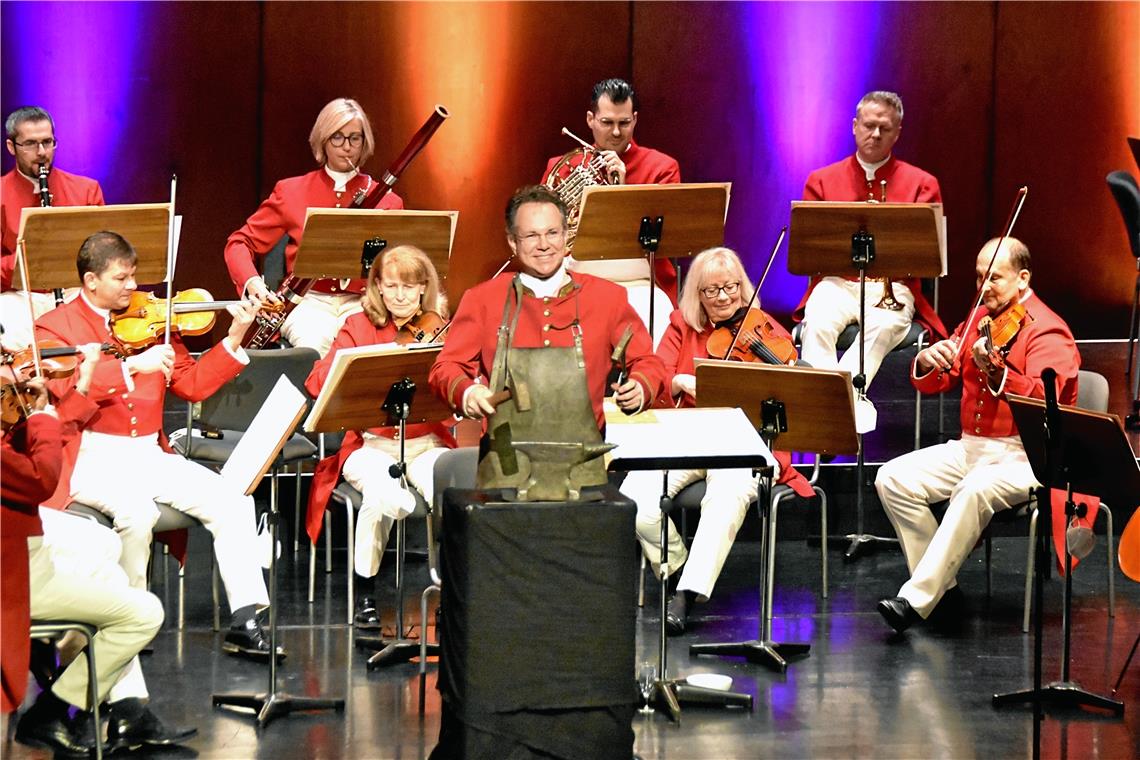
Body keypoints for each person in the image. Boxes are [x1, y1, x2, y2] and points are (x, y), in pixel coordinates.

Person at [34, 230, 281, 660]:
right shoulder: (55, 326)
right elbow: (67, 390)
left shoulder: (155, 318)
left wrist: (235, 337)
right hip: (92, 455)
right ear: (91, 281)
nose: (134, 287)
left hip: (148, 453)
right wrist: (130, 366)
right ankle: (125, 621)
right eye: (121, 278)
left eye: (134, 276)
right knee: (137, 515)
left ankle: (246, 619)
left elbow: (192, 385)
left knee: (234, 501)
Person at [874, 237, 1078, 633]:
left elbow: (1044, 399)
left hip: (1029, 455)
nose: (984, 287)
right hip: (973, 447)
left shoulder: (1049, 331)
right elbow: (941, 377)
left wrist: (1000, 372)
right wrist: (928, 359)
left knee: (975, 489)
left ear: (1023, 278)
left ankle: (915, 601)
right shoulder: (979, 319)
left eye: (995, 278)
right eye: (980, 276)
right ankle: (943, 591)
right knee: (893, 479)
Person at [2, 350, 194, 754]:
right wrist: (43, 418)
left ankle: (112, 703)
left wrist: (60, 401)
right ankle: (67, 704)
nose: (10, 368)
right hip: (13, 571)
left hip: (23, 548)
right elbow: (39, 476)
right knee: (133, 603)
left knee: (105, 555)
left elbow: (35, 441)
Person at [619, 247, 816, 634]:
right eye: (712, 291)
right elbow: (658, 371)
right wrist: (675, 381)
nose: (724, 297)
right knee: (635, 500)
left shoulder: (764, 328)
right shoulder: (680, 325)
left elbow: (793, 387)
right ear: (698, 295)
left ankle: (686, 596)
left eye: (731, 287)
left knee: (727, 494)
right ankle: (678, 569)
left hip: (746, 440)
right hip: (690, 437)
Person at [304, 245, 456, 629]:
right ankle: (366, 592)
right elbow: (316, 381)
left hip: (426, 443)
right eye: (392, 286)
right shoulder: (357, 326)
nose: (402, 296)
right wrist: (358, 366)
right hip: (371, 445)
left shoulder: (439, 326)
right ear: (378, 289)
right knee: (383, 496)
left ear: (424, 289)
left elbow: (464, 379)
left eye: (411, 286)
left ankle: (453, 590)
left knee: (450, 490)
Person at [429, 184, 664, 430]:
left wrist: (639, 387)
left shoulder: (608, 297)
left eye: (552, 233)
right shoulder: (482, 299)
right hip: (505, 457)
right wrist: (469, 393)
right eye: (531, 236)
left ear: (566, 236)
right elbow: (445, 367)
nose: (544, 244)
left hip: (583, 457)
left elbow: (648, 361)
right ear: (512, 242)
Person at [794, 91, 946, 426]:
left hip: (894, 287)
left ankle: (828, 413)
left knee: (882, 326)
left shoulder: (922, 184)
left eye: (885, 128)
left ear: (898, 132)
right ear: (854, 126)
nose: (875, 134)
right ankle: (842, 409)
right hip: (837, 283)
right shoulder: (821, 181)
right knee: (816, 323)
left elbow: (926, 256)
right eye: (869, 125)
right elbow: (811, 252)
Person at [224, 97, 404, 356]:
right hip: (308, 302)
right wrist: (254, 284)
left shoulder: (387, 201)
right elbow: (239, 243)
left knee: (362, 356)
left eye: (355, 138)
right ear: (323, 140)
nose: (347, 147)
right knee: (313, 351)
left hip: (366, 302)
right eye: (337, 138)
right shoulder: (292, 191)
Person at [542, 78, 681, 345]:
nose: (616, 132)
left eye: (624, 123)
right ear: (590, 119)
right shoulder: (561, 167)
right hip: (575, 277)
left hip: (641, 281)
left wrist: (621, 189)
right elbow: (542, 229)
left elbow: (666, 243)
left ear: (635, 120)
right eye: (607, 123)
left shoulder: (662, 167)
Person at [1, 106, 105, 346]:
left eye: (47, 142)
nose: (41, 152)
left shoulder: (87, 190)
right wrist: (24, 261)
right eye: (30, 144)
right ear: (11, 147)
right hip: (20, 297)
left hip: (76, 294)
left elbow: (104, 257)